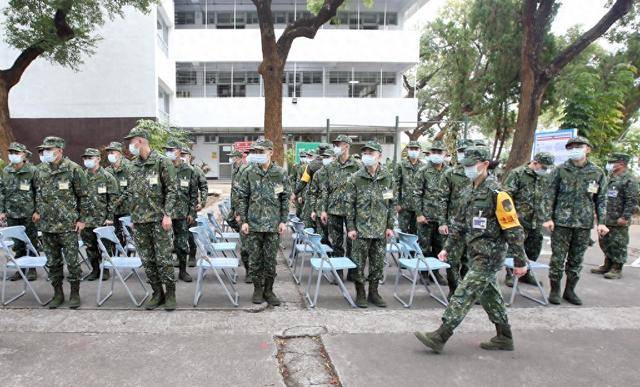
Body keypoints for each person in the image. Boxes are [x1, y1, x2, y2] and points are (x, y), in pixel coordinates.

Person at [415, 146, 528, 353]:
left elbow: (513, 229)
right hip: (474, 252)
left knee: (464, 293)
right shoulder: (469, 190)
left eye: (471, 165)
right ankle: (504, 336)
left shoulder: (498, 194)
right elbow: (459, 223)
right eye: (465, 165)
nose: (467, 169)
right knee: (490, 295)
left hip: (490, 255)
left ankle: (441, 335)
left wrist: (520, 261)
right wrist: (447, 247)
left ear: (485, 165)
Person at [543, 136, 608, 305]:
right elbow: (549, 195)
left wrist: (601, 222)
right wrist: (548, 218)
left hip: (583, 224)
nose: (574, 149)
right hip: (561, 223)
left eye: (578, 146)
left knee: (576, 259)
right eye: (570, 147)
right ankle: (555, 290)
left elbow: (601, 199)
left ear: (588, 149)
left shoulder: (597, 172)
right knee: (557, 259)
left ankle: (570, 290)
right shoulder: (560, 170)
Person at [125, 127, 178, 311]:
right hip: (140, 221)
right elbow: (131, 193)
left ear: (140, 141)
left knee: (163, 259)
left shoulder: (162, 162)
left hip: (158, 220)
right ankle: (157, 293)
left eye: (131, 142)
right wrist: (133, 215)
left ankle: (170, 294)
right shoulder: (132, 165)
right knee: (147, 260)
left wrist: (168, 214)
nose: (129, 146)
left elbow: (172, 189)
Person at [34, 136, 89, 309]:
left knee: (72, 262)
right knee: (52, 262)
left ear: (60, 150)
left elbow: (84, 196)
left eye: (50, 150)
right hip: (47, 226)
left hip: (68, 225)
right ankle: (57, 293)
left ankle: (74, 293)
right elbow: (37, 193)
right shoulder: (40, 170)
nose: (46, 153)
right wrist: (37, 210)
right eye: (44, 150)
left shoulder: (73, 169)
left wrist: (82, 219)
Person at [237, 139, 290, 306]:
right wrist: (244, 221)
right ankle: (257, 289)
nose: (258, 155)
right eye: (256, 152)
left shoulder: (280, 173)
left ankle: (269, 290)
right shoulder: (248, 172)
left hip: (273, 226)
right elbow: (242, 197)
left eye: (261, 152)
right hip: (253, 225)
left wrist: (283, 220)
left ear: (270, 152)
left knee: (270, 260)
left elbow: (285, 198)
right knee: (254, 260)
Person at [346, 141, 396, 308]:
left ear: (379, 156)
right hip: (361, 230)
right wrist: (351, 228)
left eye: (371, 153)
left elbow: (390, 204)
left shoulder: (387, 178)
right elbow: (350, 205)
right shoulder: (356, 178)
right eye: (365, 153)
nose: (367, 156)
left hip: (380, 229)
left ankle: (374, 292)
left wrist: (390, 226)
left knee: (377, 263)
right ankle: (360, 293)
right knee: (358, 263)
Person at [503, 152, 555, 286]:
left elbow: (547, 198)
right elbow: (506, 197)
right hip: (519, 220)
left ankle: (527, 273)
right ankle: (511, 274)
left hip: (537, 220)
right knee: (515, 248)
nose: (545, 170)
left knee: (534, 248)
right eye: (543, 166)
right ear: (535, 162)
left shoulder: (545, 177)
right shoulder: (517, 174)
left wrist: (547, 217)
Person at [320, 135, 361, 281]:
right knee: (336, 243)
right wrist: (323, 210)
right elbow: (325, 190)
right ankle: (338, 273)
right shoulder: (330, 166)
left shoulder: (357, 166)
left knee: (353, 243)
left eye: (339, 144)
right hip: (334, 210)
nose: (336, 147)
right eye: (335, 144)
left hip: (352, 212)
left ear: (347, 146)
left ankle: (353, 273)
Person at [436, 139, 475, 290]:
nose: (463, 154)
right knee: (452, 260)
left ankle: (466, 289)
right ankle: (454, 290)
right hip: (454, 225)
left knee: (470, 259)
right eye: (460, 151)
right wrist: (442, 222)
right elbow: (442, 199)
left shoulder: (479, 173)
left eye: (466, 151)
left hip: (474, 226)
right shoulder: (450, 173)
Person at [593, 152, 638, 279]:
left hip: (619, 219)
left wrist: (625, 217)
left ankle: (616, 268)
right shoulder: (610, 177)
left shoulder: (629, 179)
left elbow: (632, 201)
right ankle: (607, 264)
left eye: (612, 162)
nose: (609, 164)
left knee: (618, 244)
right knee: (605, 242)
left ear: (621, 164)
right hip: (606, 218)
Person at [0, 142, 39, 281]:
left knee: (31, 241)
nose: (13, 155)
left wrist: (37, 211)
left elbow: (38, 192)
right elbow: (2, 192)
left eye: (16, 153)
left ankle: (33, 269)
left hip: (29, 214)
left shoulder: (32, 171)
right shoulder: (6, 171)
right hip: (12, 214)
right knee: (17, 243)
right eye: (11, 153)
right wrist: (2, 211)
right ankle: (21, 269)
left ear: (24, 155)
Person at [80, 148, 119, 282]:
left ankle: (105, 269)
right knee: (90, 246)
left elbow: (113, 199)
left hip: (102, 219)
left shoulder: (107, 177)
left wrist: (109, 217)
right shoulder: (81, 176)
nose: (87, 161)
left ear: (98, 159)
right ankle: (95, 269)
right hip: (86, 219)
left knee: (104, 246)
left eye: (90, 158)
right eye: (85, 158)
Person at [416, 141, 449, 289]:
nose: (436, 155)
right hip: (426, 217)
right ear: (430, 154)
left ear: (444, 154)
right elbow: (416, 194)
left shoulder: (449, 172)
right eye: (434, 152)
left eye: (439, 152)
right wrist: (419, 213)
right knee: (424, 246)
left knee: (439, 246)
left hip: (442, 218)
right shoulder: (423, 171)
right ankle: (423, 273)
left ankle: (435, 272)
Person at [165, 140, 198, 283]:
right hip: (165, 214)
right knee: (164, 244)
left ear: (179, 151)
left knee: (182, 243)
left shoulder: (189, 170)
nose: (168, 152)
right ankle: (164, 273)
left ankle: (183, 271)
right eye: (166, 150)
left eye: (171, 150)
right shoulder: (163, 167)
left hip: (182, 214)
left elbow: (193, 193)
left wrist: (192, 212)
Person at [394, 141, 424, 235]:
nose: (414, 151)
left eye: (416, 149)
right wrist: (396, 203)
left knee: (416, 234)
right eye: (411, 149)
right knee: (403, 232)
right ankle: (403, 250)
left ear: (420, 150)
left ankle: (413, 250)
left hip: (418, 208)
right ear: (407, 149)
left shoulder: (423, 166)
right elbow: (395, 185)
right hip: (404, 207)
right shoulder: (401, 165)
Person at [105, 141, 131, 247]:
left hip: (127, 209)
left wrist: (118, 201)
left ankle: (129, 260)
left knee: (129, 237)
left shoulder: (129, 167)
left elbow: (132, 188)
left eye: (112, 152)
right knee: (114, 237)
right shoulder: (107, 171)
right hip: (113, 211)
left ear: (120, 153)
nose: (110, 155)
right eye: (109, 152)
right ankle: (114, 258)